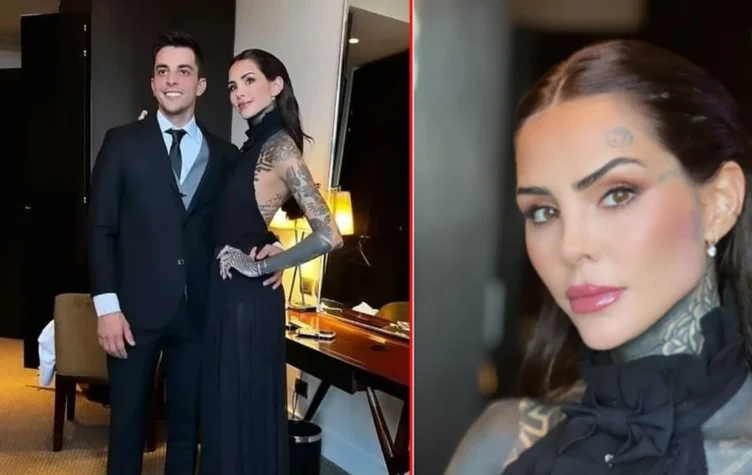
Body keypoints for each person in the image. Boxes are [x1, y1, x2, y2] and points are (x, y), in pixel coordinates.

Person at [445, 39, 752, 475]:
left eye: (617, 193)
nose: (571, 246)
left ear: (720, 202)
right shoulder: (505, 442)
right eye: (544, 211)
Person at [88, 31, 283, 475]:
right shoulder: (122, 142)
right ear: (153, 83)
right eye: (163, 71)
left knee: (185, 432)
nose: (172, 80)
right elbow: (100, 228)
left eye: (183, 71)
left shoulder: (226, 155)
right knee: (126, 428)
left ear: (201, 84)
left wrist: (268, 242)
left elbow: (236, 219)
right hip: (131, 315)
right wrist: (106, 308)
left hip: (199, 313)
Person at [198, 49, 343, 475]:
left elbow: (329, 233)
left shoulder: (279, 146)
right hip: (227, 292)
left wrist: (259, 265)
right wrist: (272, 243)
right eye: (232, 85)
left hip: (247, 299)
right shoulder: (254, 144)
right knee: (226, 412)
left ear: (276, 85)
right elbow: (241, 217)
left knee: (238, 413)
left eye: (249, 81)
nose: (238, 93)